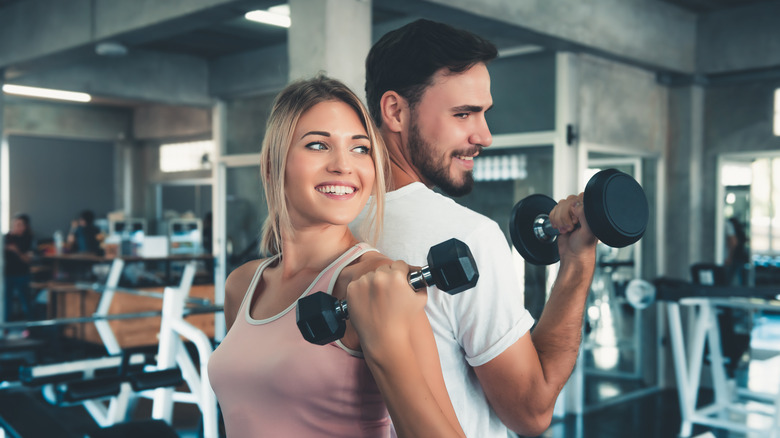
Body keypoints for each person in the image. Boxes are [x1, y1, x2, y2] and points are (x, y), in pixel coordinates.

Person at [357, 19, 599, 437]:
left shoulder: (330, 223)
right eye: (463, 114)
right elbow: (531, 412)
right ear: (395, 111)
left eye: (484, 113)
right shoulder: (467, 237)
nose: (484, 135)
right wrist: (577, 262)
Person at [207, 75, 465, 437]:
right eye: (318, 145)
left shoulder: (375, 285)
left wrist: (386, 345)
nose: (344, 165)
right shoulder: (244, 284)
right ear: (271, 164)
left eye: (360, 149)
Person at [4, 213, 34, 322]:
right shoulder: (7, 237)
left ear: (24, 226)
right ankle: (4, 328)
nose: (16, 227)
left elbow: (28, 259)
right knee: (6, 303)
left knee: (26, 301)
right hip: (7, 275)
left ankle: (31, 328)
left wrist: (16, 251)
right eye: (15, 224)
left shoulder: (29, 239)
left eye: (19, 224)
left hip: (22, 275)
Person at [724, 216, 749, 286]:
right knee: (737, 276)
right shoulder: (739, 231)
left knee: (730, 277)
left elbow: (734, 242)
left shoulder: (730, 227)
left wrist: (729, 257)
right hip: (738, 256)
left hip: (736, 256)